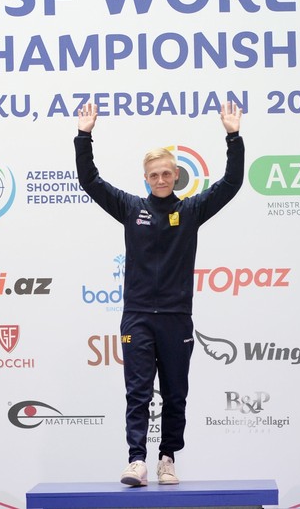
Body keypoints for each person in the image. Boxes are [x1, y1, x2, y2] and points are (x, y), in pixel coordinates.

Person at [75, 102, 244, 486]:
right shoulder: (130, 207)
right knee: (137, 392)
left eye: (167, 173)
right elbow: (90, 181)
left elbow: (231, 183)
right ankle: (136, 460)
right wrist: (84, 136)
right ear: (146, 178)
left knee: (175, 393)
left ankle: (167, 459)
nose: (161, 179)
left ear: (177, 175)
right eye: (154, 174)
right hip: (137, 316)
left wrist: (233, 137)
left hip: (176, 317)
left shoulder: (192, 210)